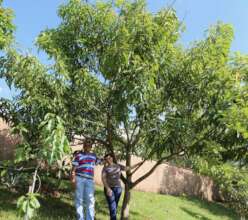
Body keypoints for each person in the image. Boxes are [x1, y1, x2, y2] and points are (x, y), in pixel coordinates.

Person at [101, 153, 142, 220]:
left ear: (112, 158)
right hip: (109, 189)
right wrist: (108, 188)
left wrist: (138, 164)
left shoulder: (118, 166)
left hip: (118, 189)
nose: (108, 160)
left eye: (109, 158)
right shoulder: (105, 168)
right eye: (106, 159)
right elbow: (103, 179)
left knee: (114, 207)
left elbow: (127, 168)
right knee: (112, 206)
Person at [71, 139, 101, 220]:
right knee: (79, 199)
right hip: (79, 178)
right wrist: (73, 179)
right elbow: (73, 168)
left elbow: (101, 161)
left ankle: (89, 218)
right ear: (84, 146)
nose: (88, 146)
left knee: (90, 200)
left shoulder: (94, 155)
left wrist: (112, 158)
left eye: (90, 145)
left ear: (91, 147)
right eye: (86, 145)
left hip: (89, 180)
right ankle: (80, 218)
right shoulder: (78, 155)